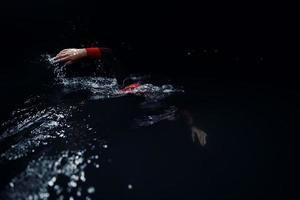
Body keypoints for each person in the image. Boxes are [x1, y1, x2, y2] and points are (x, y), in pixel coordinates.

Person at [53, 47, 207, 146]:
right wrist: (82, 52)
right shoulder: (129, 84)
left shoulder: (161, 106)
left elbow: (183, 111)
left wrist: (194, 126)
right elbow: (108, 54)